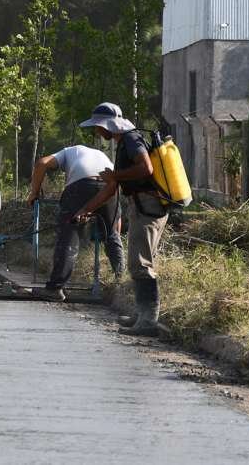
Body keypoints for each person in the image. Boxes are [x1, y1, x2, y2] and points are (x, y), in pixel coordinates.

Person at [72, 102, 169, 336]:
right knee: (140, 261)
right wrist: (87, 209)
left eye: (98, 126)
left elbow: (146, 169)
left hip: (148, 206)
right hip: (143, 205)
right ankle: (142, 314)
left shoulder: (131, 139)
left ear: (108, 125)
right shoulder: (125, 142)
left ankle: (148, 321)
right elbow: (111, 187)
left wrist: (115, 175)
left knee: (140, 263)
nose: (97, 131)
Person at [26, 144, 124, 302]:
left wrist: (34, 193)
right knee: (112, 236)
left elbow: (42, 163)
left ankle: (55, 288)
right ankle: (122, 285)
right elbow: (116, 224)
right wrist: (111, 229)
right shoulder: (101, 155)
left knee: (69, 236)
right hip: (110, 186)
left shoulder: (69, 151)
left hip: (81, 185)